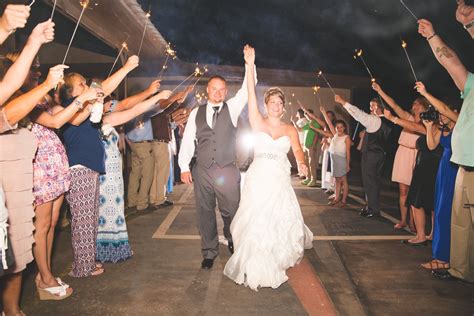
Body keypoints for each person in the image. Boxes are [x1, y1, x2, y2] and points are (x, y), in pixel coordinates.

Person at [223, 45, 313, 291]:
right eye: (271, 101)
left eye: (279, 102)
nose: (275, 105)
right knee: (256, 218)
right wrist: (249, 64)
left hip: (279, 180)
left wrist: (303, 163)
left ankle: (274, 256)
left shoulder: (289, 129)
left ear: (283, 107)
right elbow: (250, 93)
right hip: (259, 178)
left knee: (277, 218)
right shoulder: (257, 121)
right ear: (266, 105)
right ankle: (254, 259)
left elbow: (296, 150)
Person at [59, 56, 139, 277]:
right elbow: (99, 92)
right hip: (79, 168)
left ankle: (88, 261)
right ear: (71, 92)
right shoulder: (69, 108)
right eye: (81, 84)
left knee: (90, 218)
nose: (86, 86)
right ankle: (82, 267)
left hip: (90, 168)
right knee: (83, 220)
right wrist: (125, 69)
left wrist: (126, 68)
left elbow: (104, 88)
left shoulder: (85, 107)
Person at [178, 45, 256, 270]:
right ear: (208, 90)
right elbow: (188, 141)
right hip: (202, 170)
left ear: (225, 92)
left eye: (222, 89)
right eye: (214, 89)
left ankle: (232, 239)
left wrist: (249, 64)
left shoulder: (232, 108)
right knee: (204, 212)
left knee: (232, 210)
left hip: (227, 170)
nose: (218, 92)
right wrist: (184, 167)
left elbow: (247, 90)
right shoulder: (196, 113)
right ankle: (209, 251)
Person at [419, 15, 474, 281]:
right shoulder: (471, 84)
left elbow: (442, 108)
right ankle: (459, 270)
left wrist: (469, 24)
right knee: (459, 225)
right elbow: (450, 61)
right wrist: (432, 36)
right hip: (462, 165)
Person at [96, 89, 172, 263]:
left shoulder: (106, 119)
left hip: (113, 175)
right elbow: (133, 109)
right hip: (104, 175)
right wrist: (155, 95)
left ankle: (112, 248)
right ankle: (99, 251)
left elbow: (131, 109)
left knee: (113, 209)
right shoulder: (102, 120)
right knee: (103, 212)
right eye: (108, 102)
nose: (111, 104)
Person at [372, 82, 428, 231]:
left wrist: (393, 119)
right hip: (403, 154)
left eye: (417, 104)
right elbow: (395, 106)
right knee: (403, 191)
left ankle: (413, 221)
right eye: (414, 103)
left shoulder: (427, 124)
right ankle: (403, 220)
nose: (414, 106)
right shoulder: (408, 117)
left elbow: (415, 128)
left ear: (424, 107)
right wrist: (380, 90)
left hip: (416, 155)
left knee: (414, 192)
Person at [415, 82, 458, 270]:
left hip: (454, 168)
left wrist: (426, 92)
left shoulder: (458, 123)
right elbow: (432, 146)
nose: (440, 116)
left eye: (442, 113)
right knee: (440, 211)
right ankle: (440, 256)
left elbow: (446, 110)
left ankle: (444, 258)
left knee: (447, 213)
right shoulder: (443, 128)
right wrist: (429, 126)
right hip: (443, 168)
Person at [384, 108, 442, 245]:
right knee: (416, 202)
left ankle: (432, 234)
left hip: (432, 169)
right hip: (421, 167)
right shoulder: (426, 127)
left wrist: (393, 118)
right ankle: (421, 235)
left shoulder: (438, 129)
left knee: (431, 204)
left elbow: (431, 145)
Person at [334, 95, 391, 218]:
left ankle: (372, 209)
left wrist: (343, 102)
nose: (370, 108)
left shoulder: (375, 120)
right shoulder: (386, 120)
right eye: (370, 106)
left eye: (373, 106)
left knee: (369, 182)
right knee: (373, 182)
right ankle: (371, 207)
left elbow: (358, 114)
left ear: (380, 107)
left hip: (372, 155)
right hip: (379, 155)